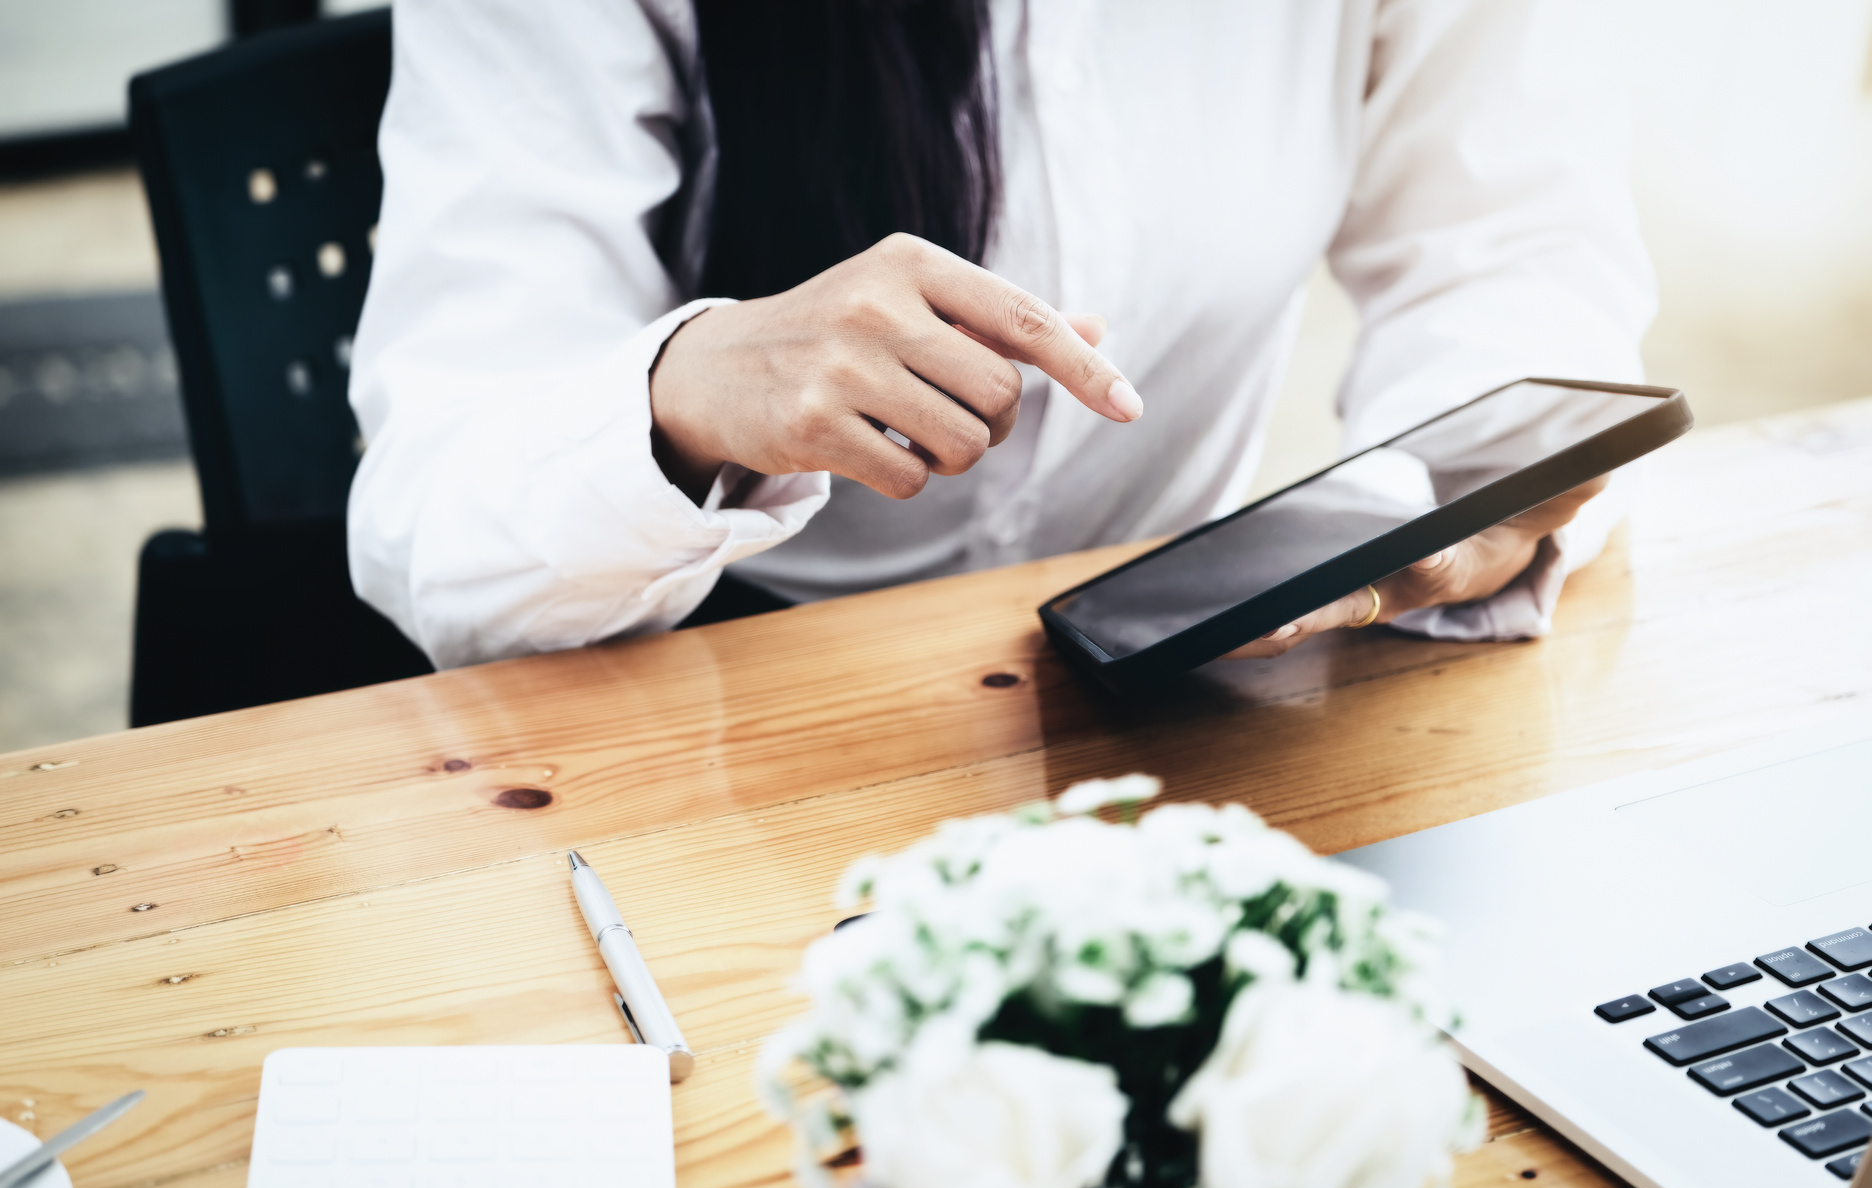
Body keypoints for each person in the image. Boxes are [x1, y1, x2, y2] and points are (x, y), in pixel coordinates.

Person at [347, 0, 1652, 671]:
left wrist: (1464, 485)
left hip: (1195, 697)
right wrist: (684, 388)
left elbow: (1510, 249)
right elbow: (434, 507)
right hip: (705, 699)